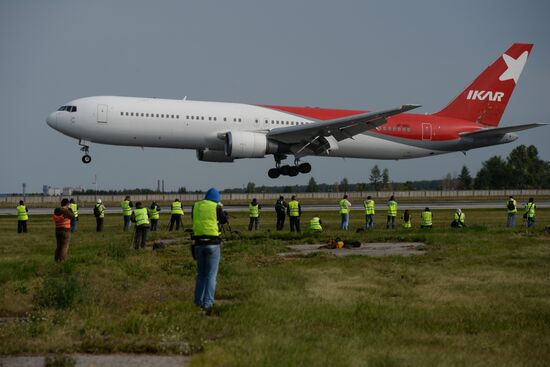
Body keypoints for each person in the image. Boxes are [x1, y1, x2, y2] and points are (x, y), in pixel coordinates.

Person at [192, 187, 227, 314]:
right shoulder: (216, 207)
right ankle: (208, 304)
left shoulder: (196, 206)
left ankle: (197, 302)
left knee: (201, 275)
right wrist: (221, 209)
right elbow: (224, 220)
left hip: (198, 244)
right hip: (212, 243)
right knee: (211, 275)